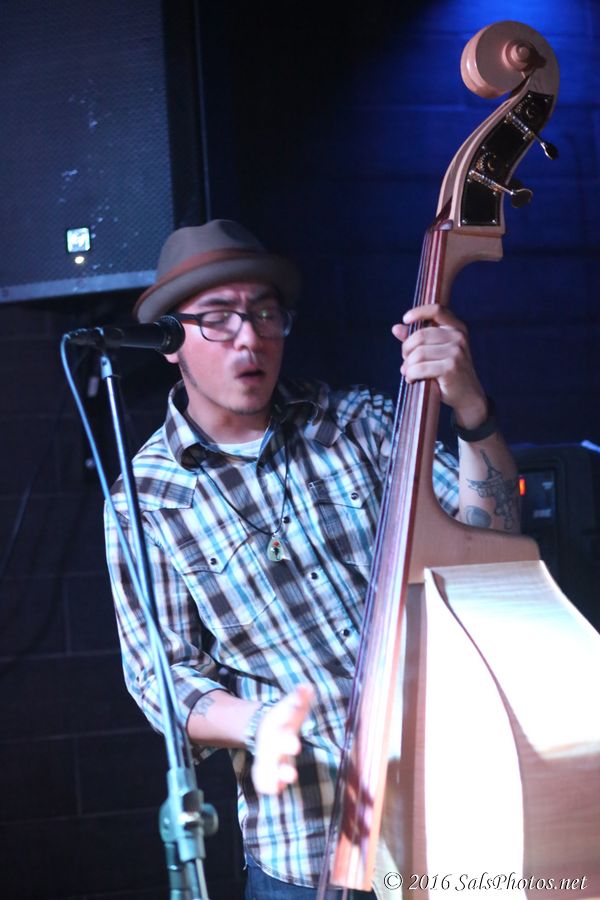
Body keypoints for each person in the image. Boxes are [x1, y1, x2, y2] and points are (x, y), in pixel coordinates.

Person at [105, 219, 520, 899]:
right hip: (308, 849)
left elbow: (492, 540)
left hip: (449, 809)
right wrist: (258, 724)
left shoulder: (357, 424)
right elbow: (162, 677)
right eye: (218, 318)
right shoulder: (143, 498)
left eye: (264, 314)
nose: (249, 338)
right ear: (171, 342)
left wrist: (471, 407)